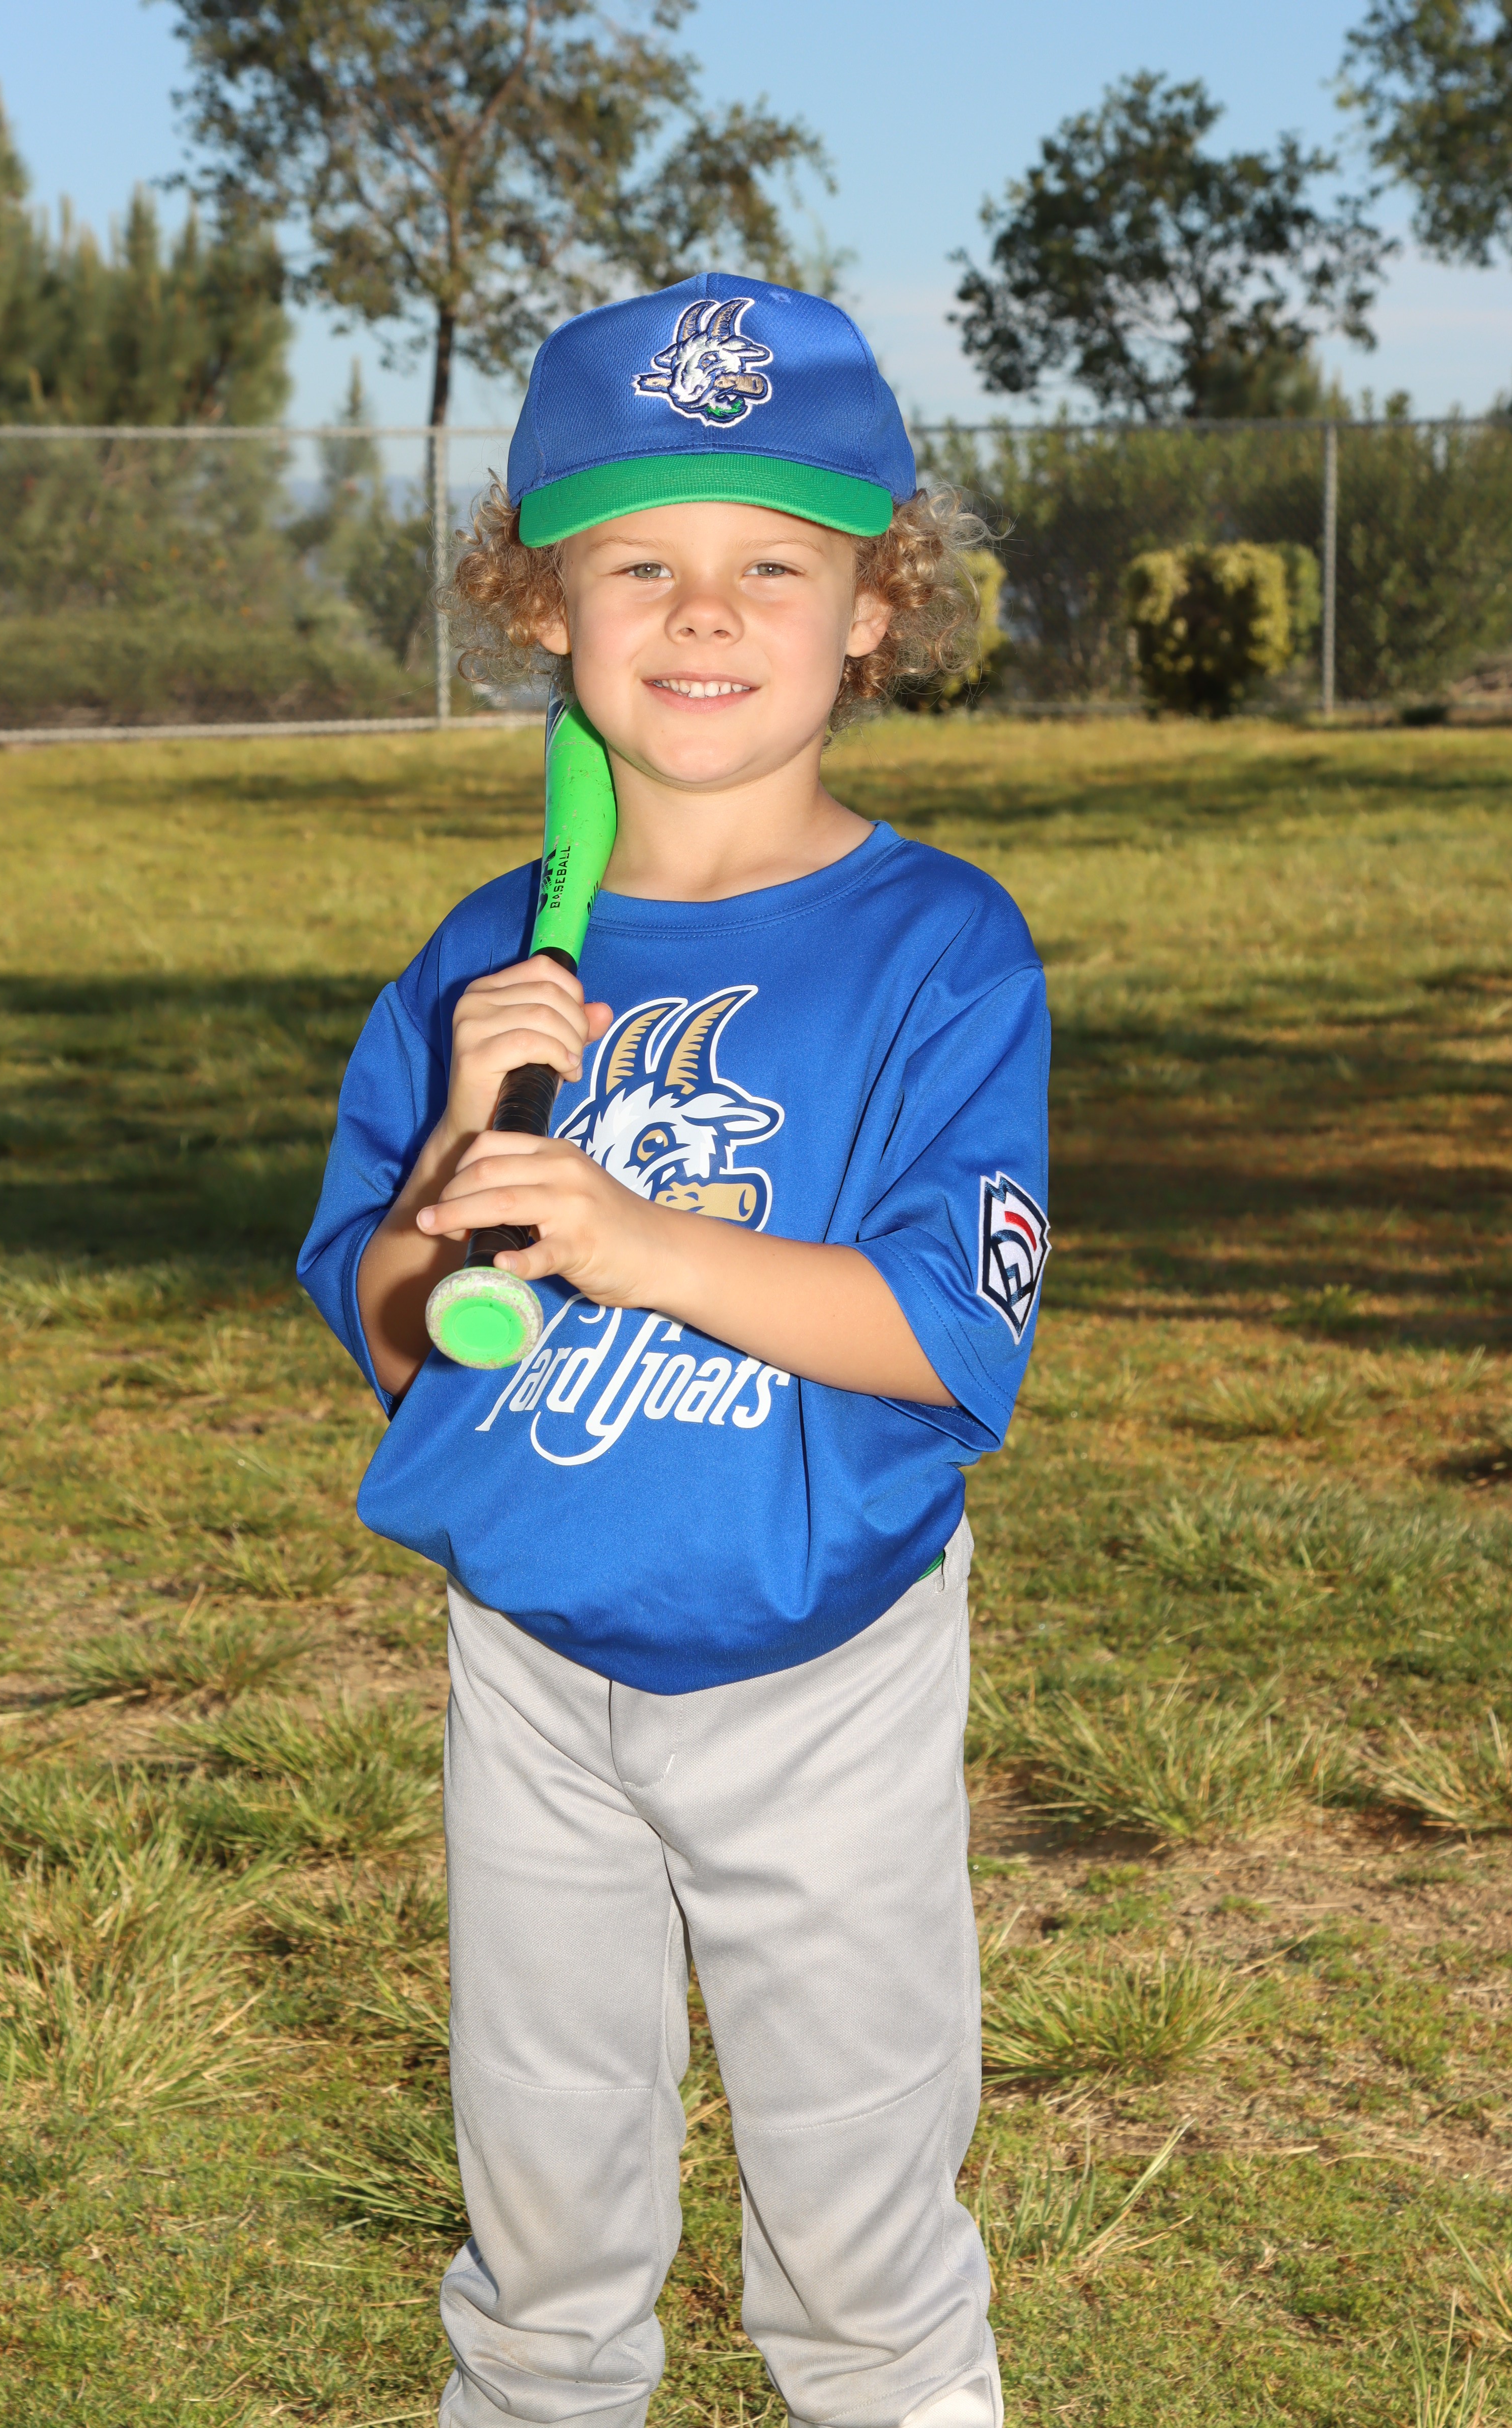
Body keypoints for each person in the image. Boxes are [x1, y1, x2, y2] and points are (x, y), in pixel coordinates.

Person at [298, 272, 1051, 2428]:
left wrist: (635, 1242)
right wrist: (456, 1146)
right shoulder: (485, 956)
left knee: (856, 2206)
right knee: (540, 2201)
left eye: (771, 567)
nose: (702, 611)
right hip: (531, 1659)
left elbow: (939, 1332)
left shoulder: (937, 946)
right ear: (543, 606)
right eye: (637, 563)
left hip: (821, 1661)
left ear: (873, 611)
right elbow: (395, 1326)